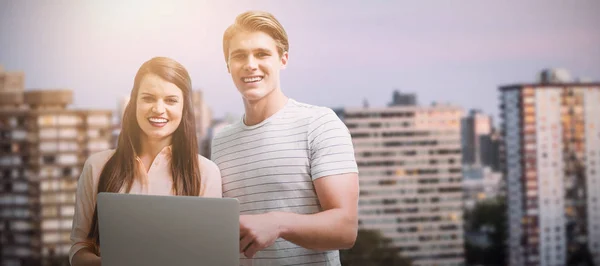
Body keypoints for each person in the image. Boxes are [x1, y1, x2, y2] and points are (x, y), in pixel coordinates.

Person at [211, 11, 359, 265]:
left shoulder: (320, 124)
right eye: (239, 56)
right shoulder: (221, 141)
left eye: (261, 54)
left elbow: (345, 229)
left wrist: (277, 223)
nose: (250, 64)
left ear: (283, 59)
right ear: (228, 66)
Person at [69, 57, 222, 266]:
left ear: (185, 107)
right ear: (134, 102)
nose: (159, 109)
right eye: (148, 98)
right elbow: (79, 249)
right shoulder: (96, 167)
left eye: (171, 100)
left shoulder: (205, 172)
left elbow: (211, 255)